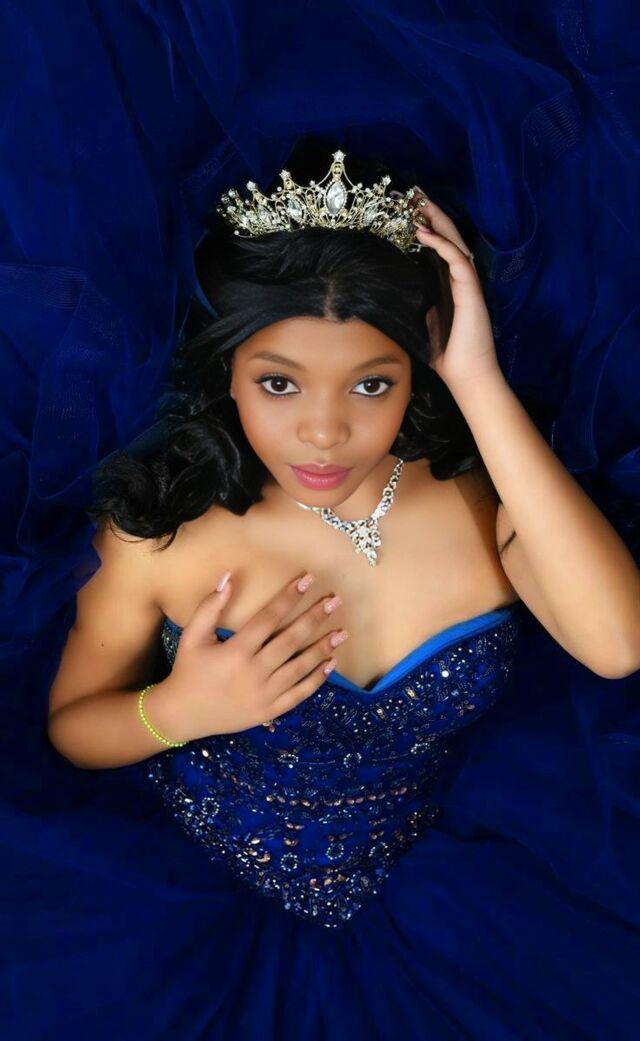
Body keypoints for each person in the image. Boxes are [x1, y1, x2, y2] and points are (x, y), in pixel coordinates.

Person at [43, 146, 640, 1037]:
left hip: (443, 892)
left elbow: (618, 645)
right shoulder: (159, 531)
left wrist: (476, 379)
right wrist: (179, 710)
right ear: (228, 370)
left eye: (372, 383)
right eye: (278, 383)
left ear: (419, 368)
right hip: (179, 892)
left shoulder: (487, 500)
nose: (323, 431)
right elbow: (71, 728)